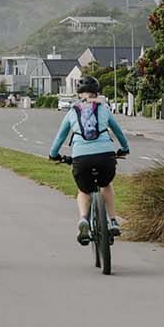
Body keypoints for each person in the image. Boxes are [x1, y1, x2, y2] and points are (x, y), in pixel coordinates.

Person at [47, 80, 131, 244]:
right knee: (106, 184)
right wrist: (124, 149)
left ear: (79, 94)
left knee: (84, 191)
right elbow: (119, 132)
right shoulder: (104, 109)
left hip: (81, 158)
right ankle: (113, 220)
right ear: (96, 93)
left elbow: (60, 137)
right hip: (106, 156)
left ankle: (84, 219)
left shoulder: (72, 112)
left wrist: (53, 155)